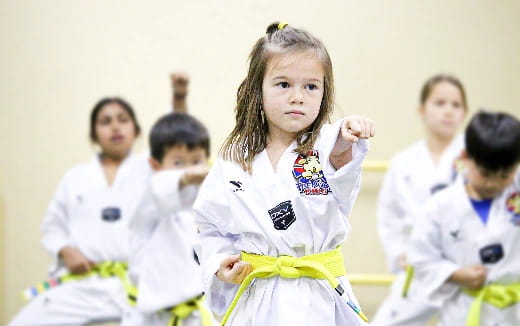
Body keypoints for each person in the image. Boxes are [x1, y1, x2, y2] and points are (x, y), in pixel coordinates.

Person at [193, 22, 375, 326]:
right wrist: (219, 264)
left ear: (324, 92)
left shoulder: (331, 144)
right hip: (258, 295)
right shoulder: (235, 158)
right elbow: (211, 228)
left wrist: (349, 132)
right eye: (283, 84)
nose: (298, 97)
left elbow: (343, 158)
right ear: (258, 90)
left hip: (317, 295)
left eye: (311, 86)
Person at [9, 97, 151, 325]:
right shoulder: (75, 178)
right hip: (84, 283)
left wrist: (179, 97)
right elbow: (52, 226)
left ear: (136, 130)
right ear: (94, 135)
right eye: (105, 121)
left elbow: (178, 141)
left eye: (123, 120)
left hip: (137, 283)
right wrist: (66, 251)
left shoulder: (150, 172)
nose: (115, 126)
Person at [372, 74, 468, 325]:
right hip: (419, 265)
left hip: (465, 266)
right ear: (422, 110)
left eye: (456, 105)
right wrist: (399, 253)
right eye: (440, 103)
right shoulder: (403, 163)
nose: (448, 111)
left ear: (464, 112)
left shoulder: (477, 161)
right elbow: (389, 216)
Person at [408, 111, 520, 326]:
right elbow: (421, 257)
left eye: (505, 175)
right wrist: (454, 274)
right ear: (466, 158)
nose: (493, 184)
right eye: (486, 174)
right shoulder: (440, 205)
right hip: (463, 311)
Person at [122, 112, 216, 326]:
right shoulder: (147, 203)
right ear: (155, 165)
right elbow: (160, 189)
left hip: (196, 313)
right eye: (178, 162)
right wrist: (184, 176)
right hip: (151, 317)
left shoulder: (204, 206)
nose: (189, 168)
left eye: (196, 161)